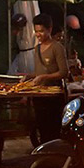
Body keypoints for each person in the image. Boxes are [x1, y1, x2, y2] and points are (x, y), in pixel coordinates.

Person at [30, 13, 68, 143]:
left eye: (41, 31)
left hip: (53, 97)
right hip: (39, 96)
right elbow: (38, 73)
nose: (38, 34)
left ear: (49, 29)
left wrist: (44, 76)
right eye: (36, 31)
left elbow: (64, 72)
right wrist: (28, 78)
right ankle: (44, 157)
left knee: (53, 130)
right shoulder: (37, 49)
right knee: (42, 127)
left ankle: (54, 158)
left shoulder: (57, 48)